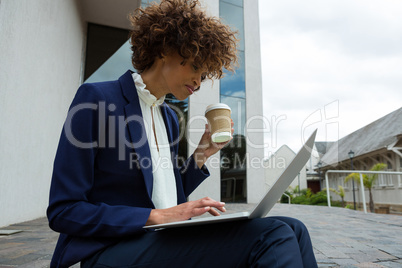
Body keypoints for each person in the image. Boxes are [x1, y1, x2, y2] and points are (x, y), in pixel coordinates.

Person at [47, 0, 318, 267]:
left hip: (161, 240)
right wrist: (156, 216)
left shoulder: (169, 118)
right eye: (196, 67)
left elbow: (164, 195)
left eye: (205, 73)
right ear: (166, 49)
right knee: (273, 236)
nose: (199, 82)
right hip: (111, 249)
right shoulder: (97, 99)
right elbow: (64, 210)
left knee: (294, 228)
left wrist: (201, 155)